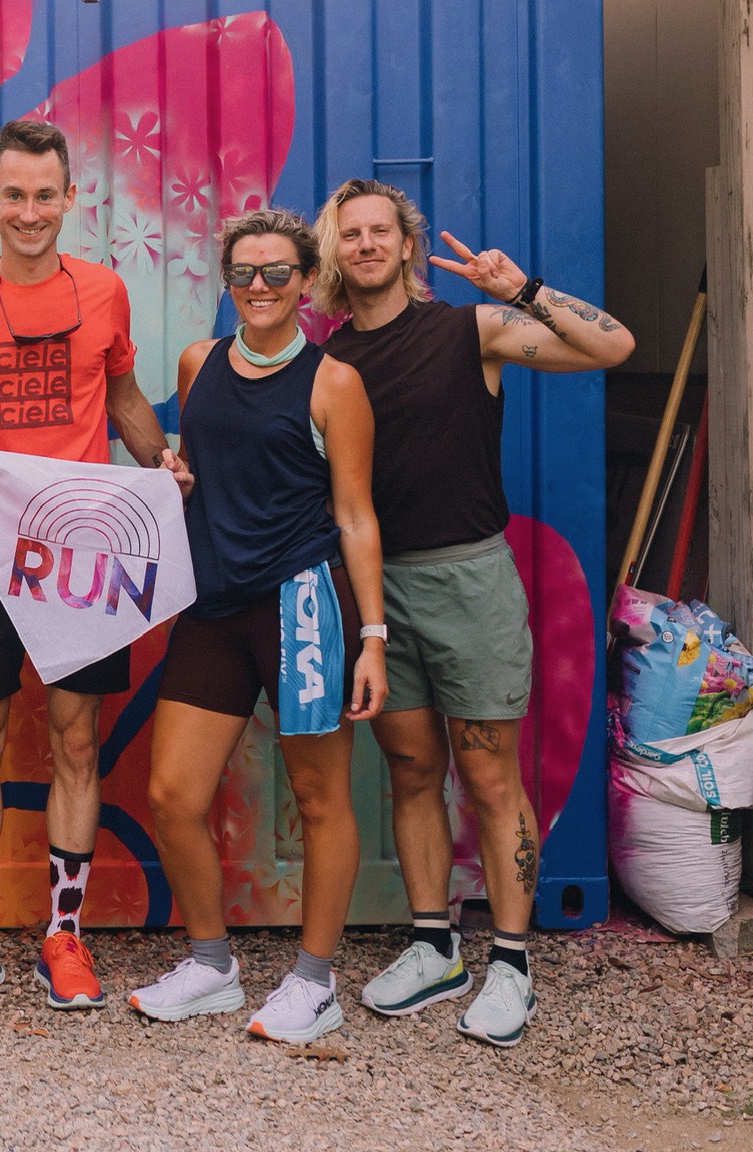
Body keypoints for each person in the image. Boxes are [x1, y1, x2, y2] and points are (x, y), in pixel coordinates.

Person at [316, 179, 633, 1048]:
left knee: (490, 776)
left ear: (407, 246)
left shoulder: (473, 330)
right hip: (378, 591)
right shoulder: (330, 361)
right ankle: (433, 945)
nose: (368, 244)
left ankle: (511, 963)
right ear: (334, 253)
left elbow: (613, 347)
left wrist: (521, 289)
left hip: (470, 582)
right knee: (412, 771)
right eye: (352, 234)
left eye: (381, 230)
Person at [0, 119, 187, 1012]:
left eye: (44, 195)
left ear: (69, 200)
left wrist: (161, 464)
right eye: (12, 195)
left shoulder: (105, 292)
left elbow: (126, 393)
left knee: (74, 740)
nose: (29, 212)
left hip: (81, 561)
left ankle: (63, 934)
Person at [128, 207, 387, 1046]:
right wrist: (178, 473)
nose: (262, 287)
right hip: (212, 604)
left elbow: (355, 514)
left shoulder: (333, 383)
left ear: (306, 282)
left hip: (302, 604)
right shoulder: (199, 361)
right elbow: (206, 468)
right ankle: (212, 965)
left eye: (279, 272)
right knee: (172, 795)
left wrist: (374, 636)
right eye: (246, 273)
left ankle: (315, 983)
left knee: (318, 797)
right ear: (228, 282)